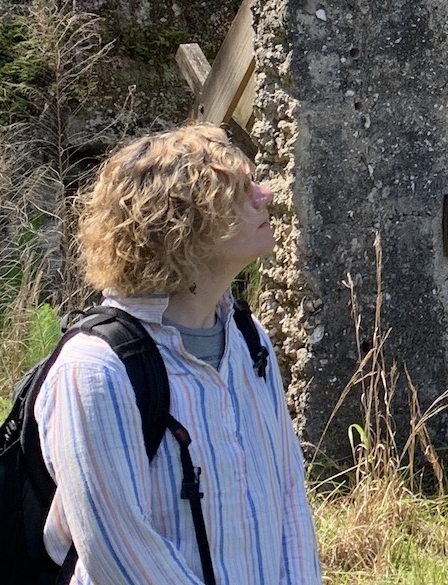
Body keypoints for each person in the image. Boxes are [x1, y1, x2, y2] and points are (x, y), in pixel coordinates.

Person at [36, 123, 323, 584]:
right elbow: (120, 554)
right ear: (185, 221)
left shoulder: (250, 340)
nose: (266, 194)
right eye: (242, 189)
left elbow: (288, 497)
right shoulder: (95, 368)